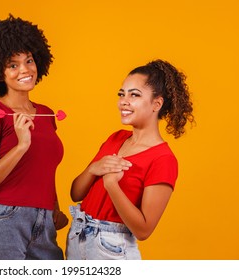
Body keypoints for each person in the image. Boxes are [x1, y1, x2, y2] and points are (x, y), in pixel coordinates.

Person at [66, 59, 195, 260]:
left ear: (156, 104)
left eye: (134, 95)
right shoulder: (115, 138)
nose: (123, 101)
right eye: (122, 94)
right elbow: (75, 194)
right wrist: (93, 169)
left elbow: (143, 230)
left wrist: (111, 185)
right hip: (78, 235)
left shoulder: (163, 159)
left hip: (111, 249)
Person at [0, 14, 68, 260]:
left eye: (29, 61)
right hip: (3, 222)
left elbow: (42, 168)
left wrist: (53, 209)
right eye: (13, 65)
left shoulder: (46, 114)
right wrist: (21, 146)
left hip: (44, 223)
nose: (24, 70)